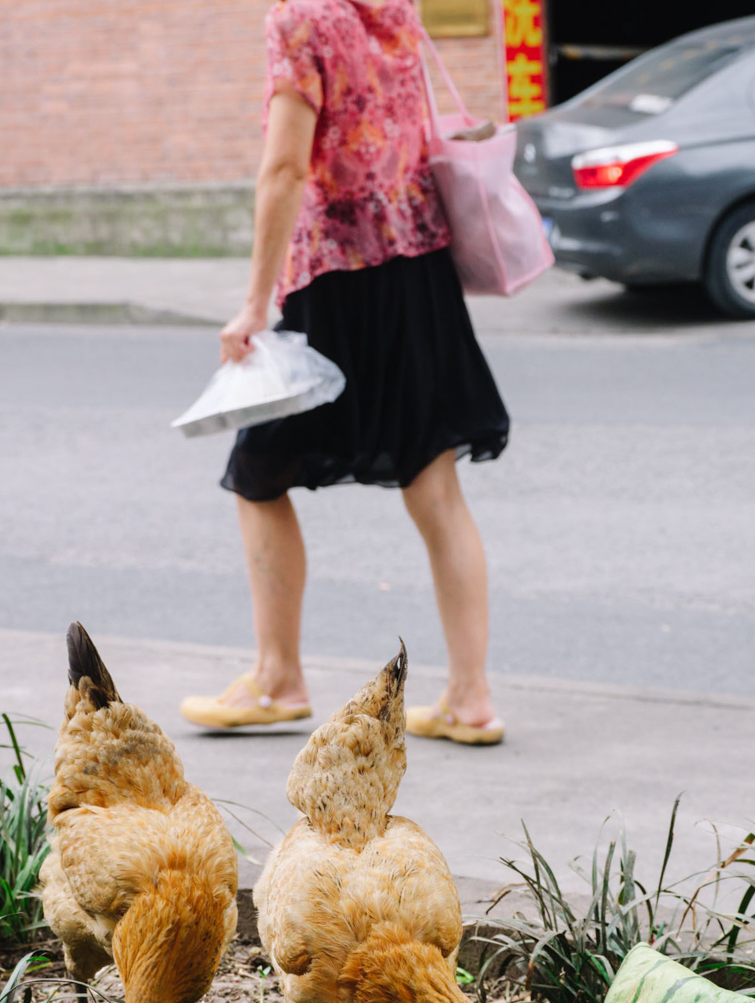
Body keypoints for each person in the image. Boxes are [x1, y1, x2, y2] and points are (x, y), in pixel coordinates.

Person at [180, 0, 509, 745]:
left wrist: (253, 305)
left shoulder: (300, 18)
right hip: (417, 269)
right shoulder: (395, 8)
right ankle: (471, 696)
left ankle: (276, 678)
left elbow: (287, 166)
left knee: (257, 472)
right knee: (435, 482)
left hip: (336, 275)